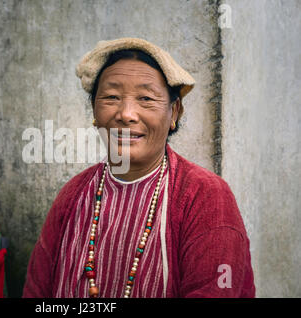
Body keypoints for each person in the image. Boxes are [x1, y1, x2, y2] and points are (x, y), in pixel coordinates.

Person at [23, 38, 255, 298]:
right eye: (111, 97)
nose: (126, 114)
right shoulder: (74, 195)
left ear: (174, 113)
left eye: (146, 98)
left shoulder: (205, 196)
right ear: (94, 110)